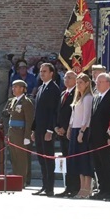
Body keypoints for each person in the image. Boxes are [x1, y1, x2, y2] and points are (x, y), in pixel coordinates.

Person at [32, 63, 61, 196]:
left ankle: (50, 188)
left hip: (47, 130)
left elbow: (53, 111)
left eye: (44, 71)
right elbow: (37, 111)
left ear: (51, 73)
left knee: (48, 159)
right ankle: (44, 185)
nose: (42, 73)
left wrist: (50, 130)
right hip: (39, 128)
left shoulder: (53, 89)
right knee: (41, 159)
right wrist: (33, 129)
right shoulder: (41, 88)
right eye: (40, 71)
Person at [89, 73, 110, 200]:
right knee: (98, 165)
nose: (97, 84)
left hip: (105, 138)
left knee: (107, 164)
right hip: (95, 137)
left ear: (108, 83)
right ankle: (102, 189)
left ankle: (109, 190)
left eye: (100, 82)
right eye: (96, 81)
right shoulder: (96, 97)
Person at [68, 73, 94, 198]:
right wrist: (70, 128)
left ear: (87, 83)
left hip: (83, 129)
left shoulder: (88, 97)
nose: (78, 85)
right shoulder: (78, 97)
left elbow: (87, 116)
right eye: (77, 83)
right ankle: (81, 187)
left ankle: (87, 188)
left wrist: (82, 132)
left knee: (84, 160)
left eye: (81, 83)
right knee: (77, 160)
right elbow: (74, 115)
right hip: (75, 128)